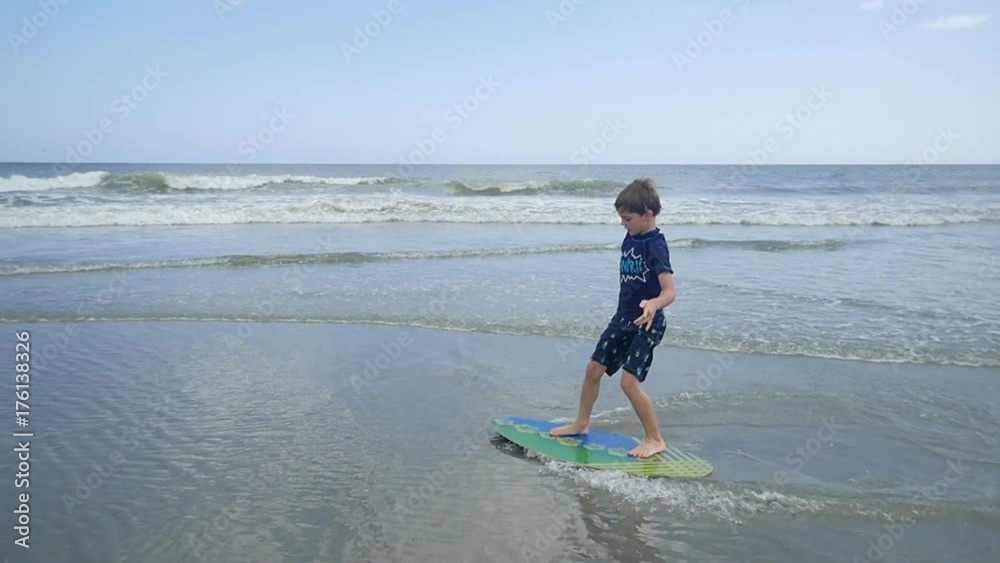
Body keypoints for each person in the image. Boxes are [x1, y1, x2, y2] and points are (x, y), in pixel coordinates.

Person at [549, 177, 676, 458]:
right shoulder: (631, 237)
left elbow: (670, 292)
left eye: (627, 219)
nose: (623, 224)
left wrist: (654, 303)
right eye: (621, 218)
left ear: (648, 214)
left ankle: (655, 439)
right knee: (593, 369)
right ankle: (581, 423)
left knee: (628, 383)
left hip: (647, 323)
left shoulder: (656, 245)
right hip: (622, 318)